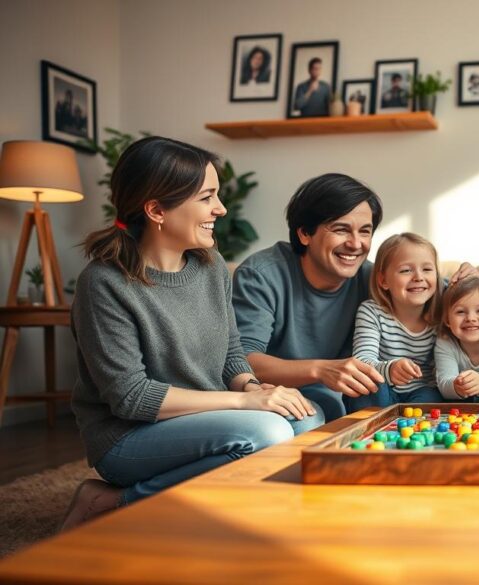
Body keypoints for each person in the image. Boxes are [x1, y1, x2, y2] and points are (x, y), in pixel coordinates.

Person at [62, 136, 322, 531]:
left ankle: (231, 519)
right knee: (267, 430)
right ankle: (113, 500)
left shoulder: (211, 265)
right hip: (128, 436)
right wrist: (243, 405)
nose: (220, 209)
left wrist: (252, 387)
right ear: (156, 209)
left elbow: (231, 350)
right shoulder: (103, 284)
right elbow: (132, 398)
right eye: (207, 197)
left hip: (203, 421)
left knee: (306, 419)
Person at [232, 175, 478, 421]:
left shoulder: (373, 278)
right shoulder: (261, 275)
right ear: (305, 233)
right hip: (274, 394)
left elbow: (454, 299)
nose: (356, 244)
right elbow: (242, 359)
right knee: (307, 421)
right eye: (341, 230)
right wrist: (320, 370)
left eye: (365, 231)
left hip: (339, 397)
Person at [352, 233, 446, 405]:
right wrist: (390, 369)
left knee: (431, 399)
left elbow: (476, 298)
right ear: (383, 280)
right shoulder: (371, 312)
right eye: (406, 270)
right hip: (383, 387)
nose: (418, 277)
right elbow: (361, 362)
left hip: (423, 390)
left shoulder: (444, 310)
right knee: (367, 387)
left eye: (427, 269)